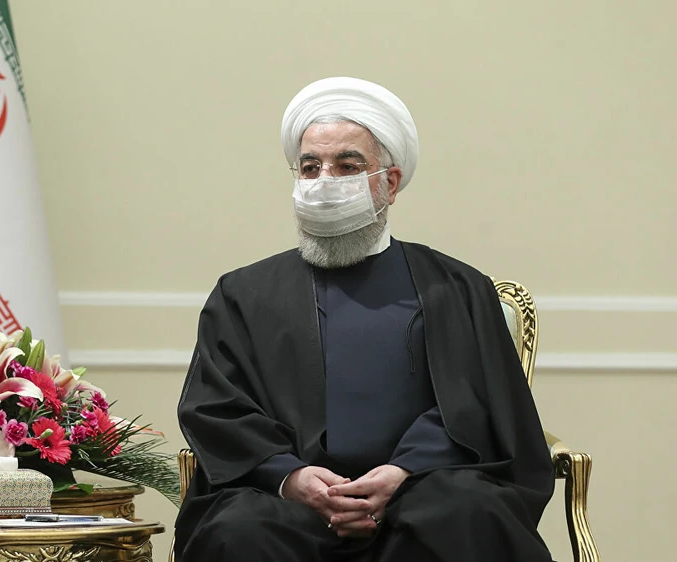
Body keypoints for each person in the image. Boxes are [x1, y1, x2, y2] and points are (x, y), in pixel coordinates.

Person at [174, 77, 554, 562]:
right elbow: (217, 407)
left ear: (389, 183)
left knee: (471, 512)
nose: (324, 181)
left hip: (423, 490)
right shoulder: (243, 294)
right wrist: (290, 476)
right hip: (286, 503)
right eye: (310, 167)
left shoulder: (456, 288)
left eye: (347, 166)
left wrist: (403, 472)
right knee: (238, 529)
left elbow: (478, 404)